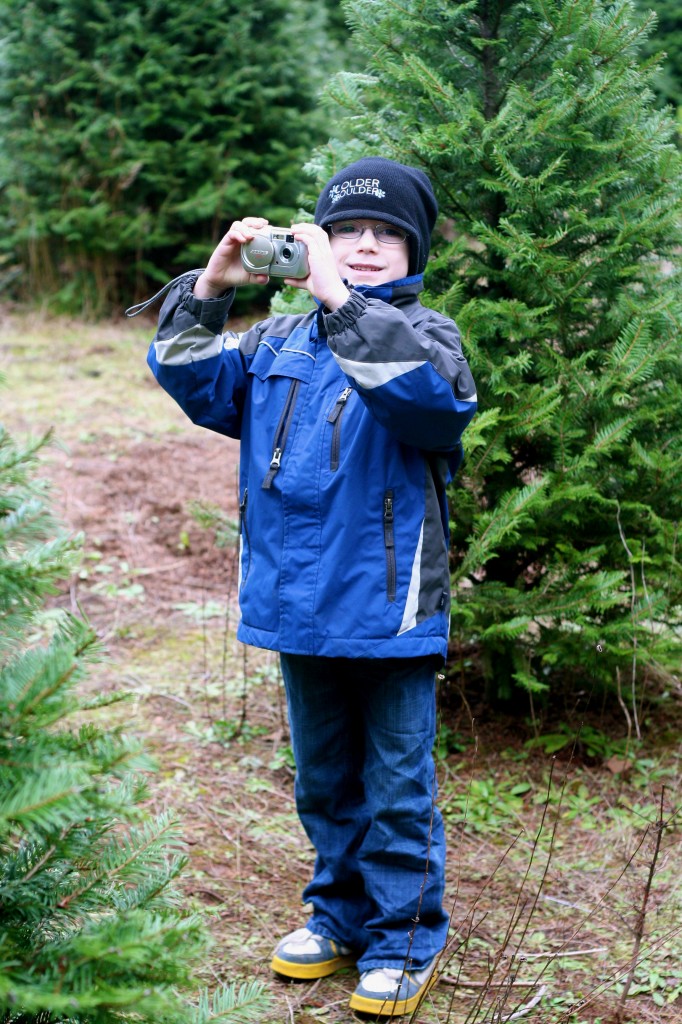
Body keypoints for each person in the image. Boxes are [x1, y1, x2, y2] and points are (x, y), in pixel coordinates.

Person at [147, 156, 477, 1017]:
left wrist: (341, 300)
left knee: (398, 783)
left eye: (386, 235)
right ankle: (336, 918)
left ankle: (406, 939)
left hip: (389, 609)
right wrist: (212, 287)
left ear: (415, 252)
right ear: (317, 240)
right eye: (346, 233)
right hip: (299, 605)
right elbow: (192, 378)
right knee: (324, 779)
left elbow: (430, 404)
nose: (365, 247)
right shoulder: (276, 344)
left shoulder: (428, 338)